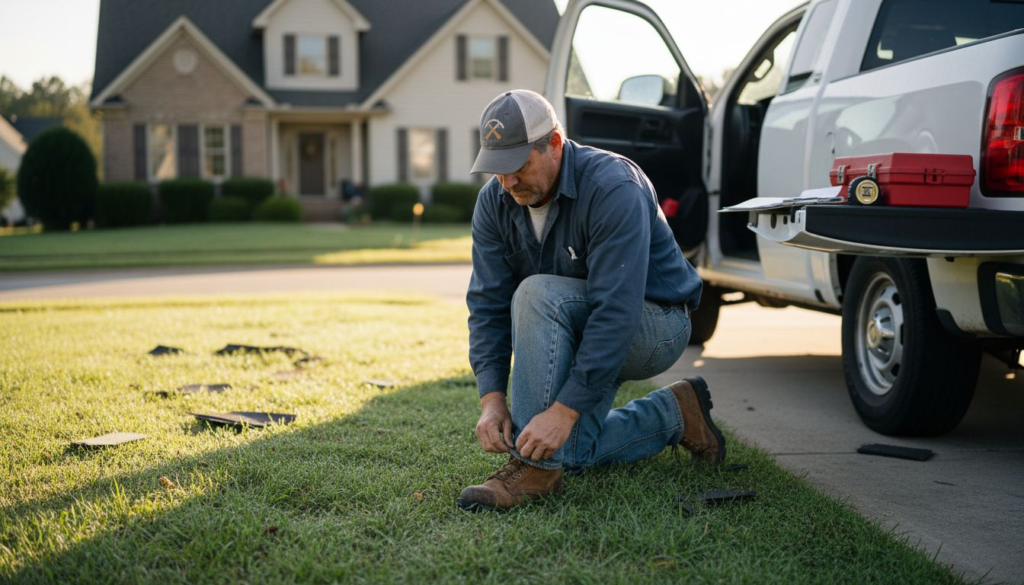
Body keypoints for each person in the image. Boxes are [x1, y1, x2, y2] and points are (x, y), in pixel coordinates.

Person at [458, 89, 726, 513]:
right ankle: (674, 411)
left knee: (536, 294)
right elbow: (488, 303)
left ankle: (530, 469)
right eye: (497, 170)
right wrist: (491, 401)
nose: (508, 183)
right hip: (580, 323)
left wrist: (563, 412)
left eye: (517, 166)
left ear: (555, 145)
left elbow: (616, 310)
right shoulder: (494, 202)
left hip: (654, 323)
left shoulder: (613, 186)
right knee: (571, 454)